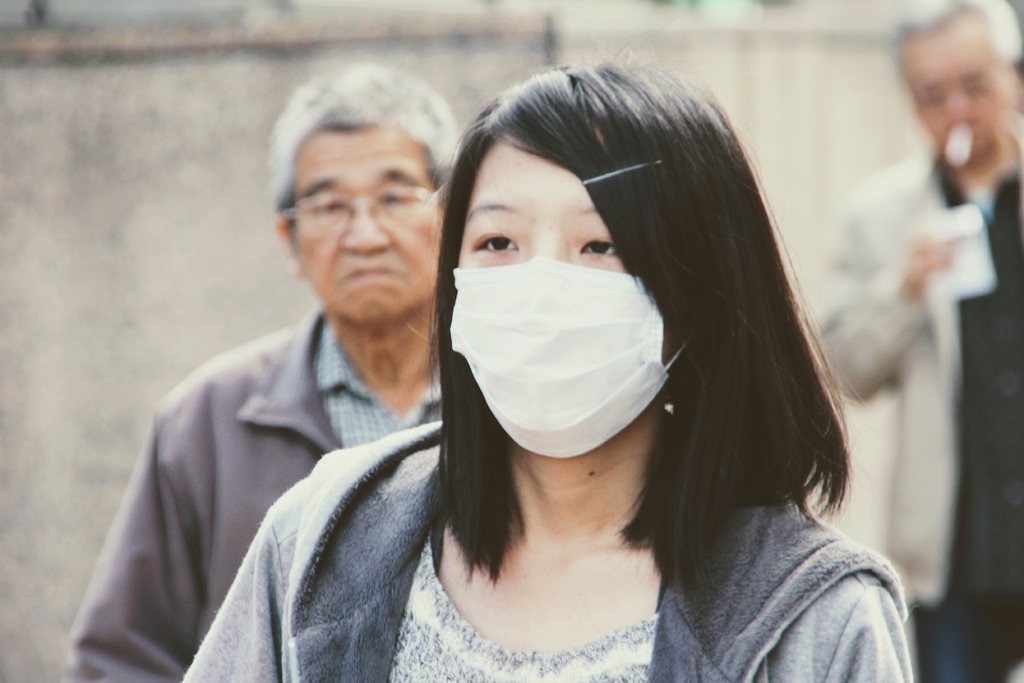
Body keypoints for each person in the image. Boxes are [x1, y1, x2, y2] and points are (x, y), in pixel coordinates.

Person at [182, 62, 912, 682]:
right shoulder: (322, 538)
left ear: (701, 292)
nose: (540, 287)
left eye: (600, 245)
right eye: (498, 240)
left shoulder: (815, 616)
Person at [62, 63, 457, 682]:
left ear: (448, 219)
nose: (364, 234)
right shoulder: (206, 421)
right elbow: (121, 658)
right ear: (288, 239)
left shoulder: (505, 398)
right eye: (329, 205)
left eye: (394, 197)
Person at [822, 0, 1024, 680]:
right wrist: (901, 287)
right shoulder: (882, 215)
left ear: (1014, 74)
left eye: (976, 85)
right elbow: (846, 370)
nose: (957, 112)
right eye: (932, 96)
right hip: (954, 552)